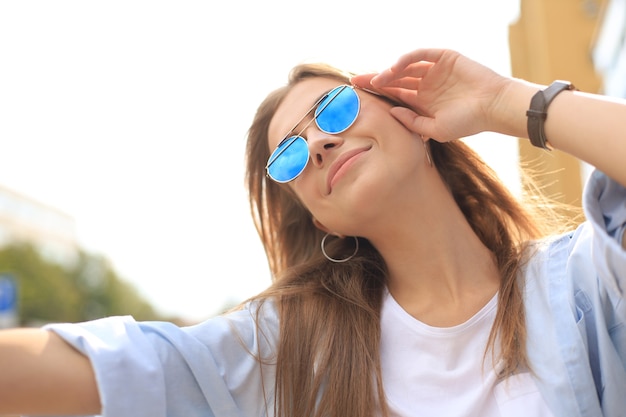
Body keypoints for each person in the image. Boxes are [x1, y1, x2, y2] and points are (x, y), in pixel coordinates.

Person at [0, 48, 624, 417]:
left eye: (335, 110)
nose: (319, 142)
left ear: (414, 120)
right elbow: (124, 367)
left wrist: (504, 103)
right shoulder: (291, 350)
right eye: (290, 159)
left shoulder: (581, 285)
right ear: (319, 217)